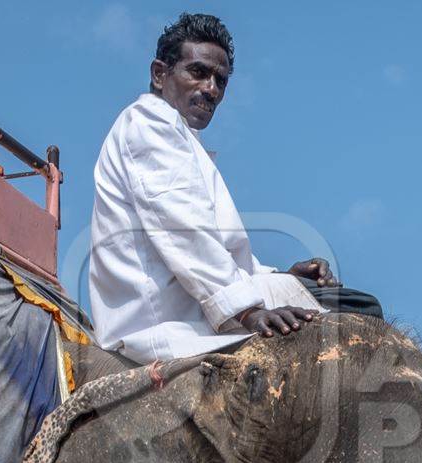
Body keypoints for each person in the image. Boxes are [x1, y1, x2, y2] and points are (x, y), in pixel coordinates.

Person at [88, 13, 380, 364]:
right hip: (166, 323)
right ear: (160, 74)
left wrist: (279, 277)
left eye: (220, 81)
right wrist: (246, 312)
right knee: (360, 312)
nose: (211, 89)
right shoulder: (150, 123)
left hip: (197, 306)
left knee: (349, 304)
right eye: (198, 72)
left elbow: (213, 248)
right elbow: (185, 232)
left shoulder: (180, 137)